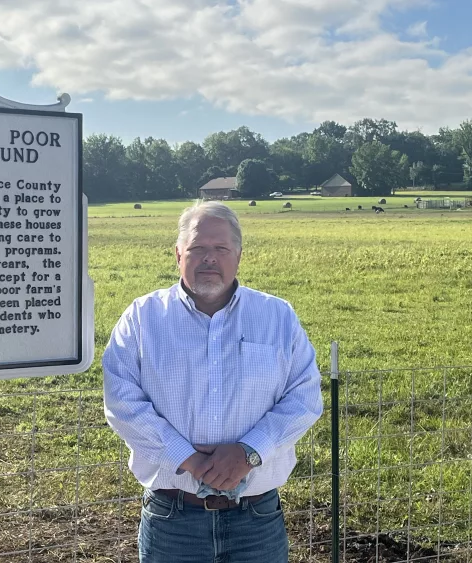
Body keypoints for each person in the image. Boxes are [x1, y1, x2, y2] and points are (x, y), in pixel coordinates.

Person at [102, 201, 324, 562]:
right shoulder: (143, 318)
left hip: (256, 521)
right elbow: (123, 403)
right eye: (197, 248)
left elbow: (304, 398)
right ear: (178, 254)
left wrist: (248, 453)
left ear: (239, 255)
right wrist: (187, 458)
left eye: (220, 248)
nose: (209, 258)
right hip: (173, 521)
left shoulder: (276, 316)